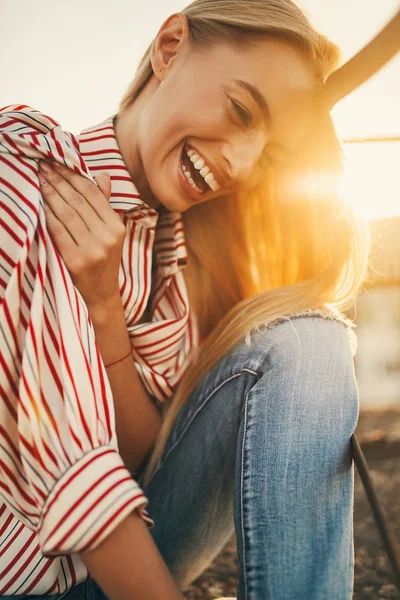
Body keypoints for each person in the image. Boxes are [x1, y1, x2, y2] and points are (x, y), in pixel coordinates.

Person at [0, 0, 372, 598]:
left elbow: (143, 456)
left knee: (312, 338)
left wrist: (105, 314)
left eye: (267, 156)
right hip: (30, 578)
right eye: (242, 108)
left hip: (116, 569)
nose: (242, 165)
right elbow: (77, 480)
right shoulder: (24, 174)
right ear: (169, 46)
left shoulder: (176, 262)